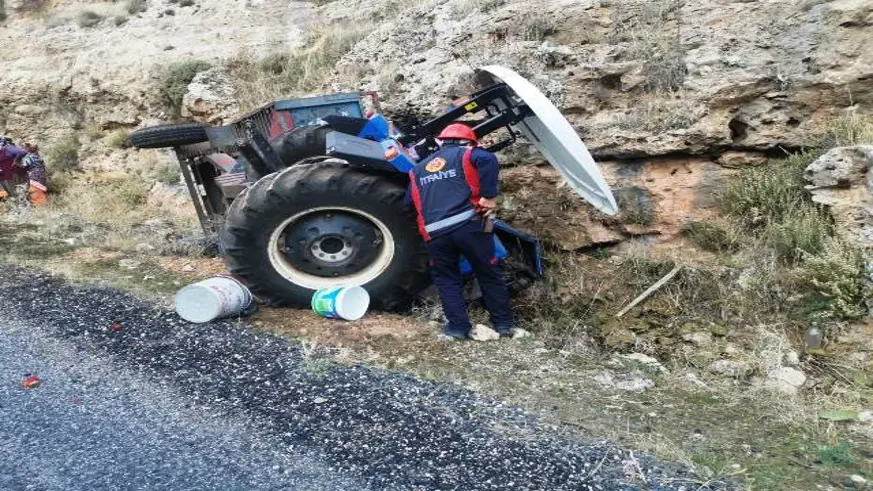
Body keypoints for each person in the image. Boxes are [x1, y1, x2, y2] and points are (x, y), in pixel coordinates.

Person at [407, 123, 514, 340]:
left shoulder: (417, 169)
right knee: (488, 273)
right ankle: (503, 325)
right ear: (469, 142)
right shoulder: (469, 154)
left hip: (435, 233)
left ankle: (458, 329)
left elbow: (408, 202)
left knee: (447, 279)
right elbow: (488, 160)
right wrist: (489, 195)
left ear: (442, 142)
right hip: (470, 225)